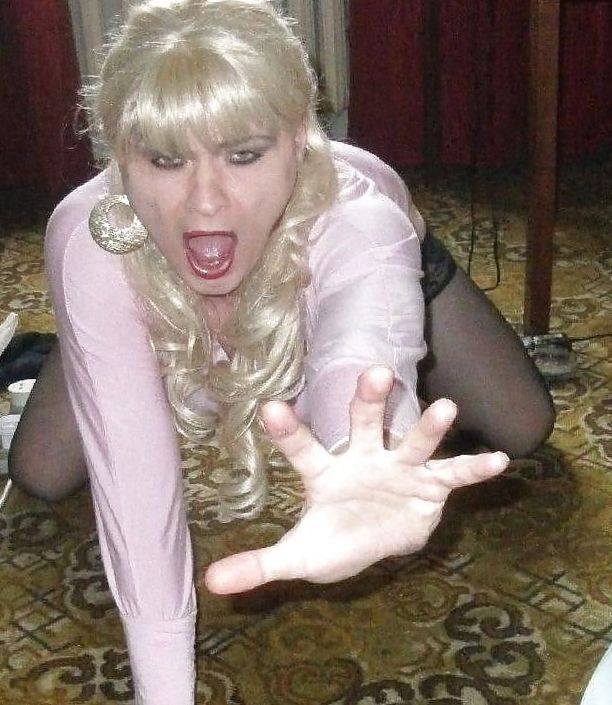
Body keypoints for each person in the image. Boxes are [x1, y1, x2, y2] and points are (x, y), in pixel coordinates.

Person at [7, 0, 555, 702]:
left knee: (524, 426)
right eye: (166, 159)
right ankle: (107, 335)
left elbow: (355, 367)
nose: (206, 201)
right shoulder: (94, 234)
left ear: (300, 138)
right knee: (38, 471)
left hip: (376, 264)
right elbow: (137, 500)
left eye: (243, 154)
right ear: (119, 155)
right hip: (144, 281)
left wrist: (362, 458)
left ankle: (415, 278)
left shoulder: (361, 225)